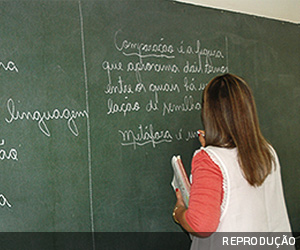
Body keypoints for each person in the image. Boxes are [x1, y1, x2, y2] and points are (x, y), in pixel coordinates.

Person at [172, 73, 293, 249]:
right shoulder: (267, 152)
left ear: (209, 113)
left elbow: (202, 225)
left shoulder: (208, 160)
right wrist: (214, 149)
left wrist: (179, 212)